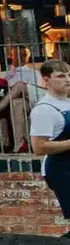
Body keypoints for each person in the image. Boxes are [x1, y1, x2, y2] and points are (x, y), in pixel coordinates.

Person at [28, 59, 70, 234]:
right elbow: (38, 147)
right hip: (62, 170)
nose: (67, 79)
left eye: (69, 74)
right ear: (46, 81)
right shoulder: (44, 109)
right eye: (61, 76)